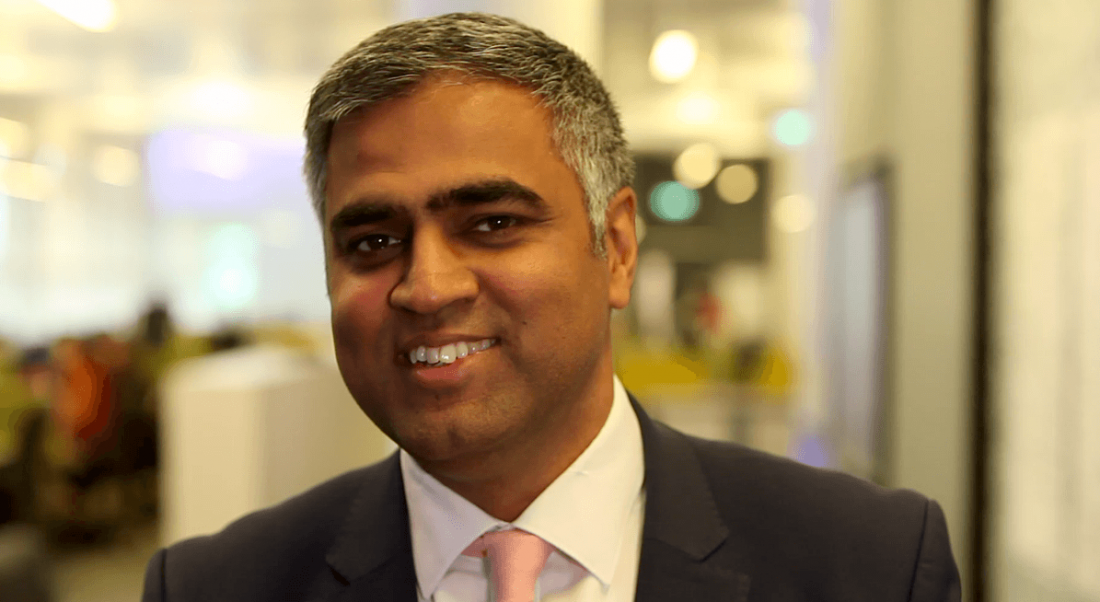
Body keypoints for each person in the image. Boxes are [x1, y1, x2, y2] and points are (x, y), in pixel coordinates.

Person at [142, 12, 960, 602]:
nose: (426, 287)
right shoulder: (214, 586)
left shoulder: (871, 565)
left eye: (492, 224)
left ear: (620, 250)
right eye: (371, 241)